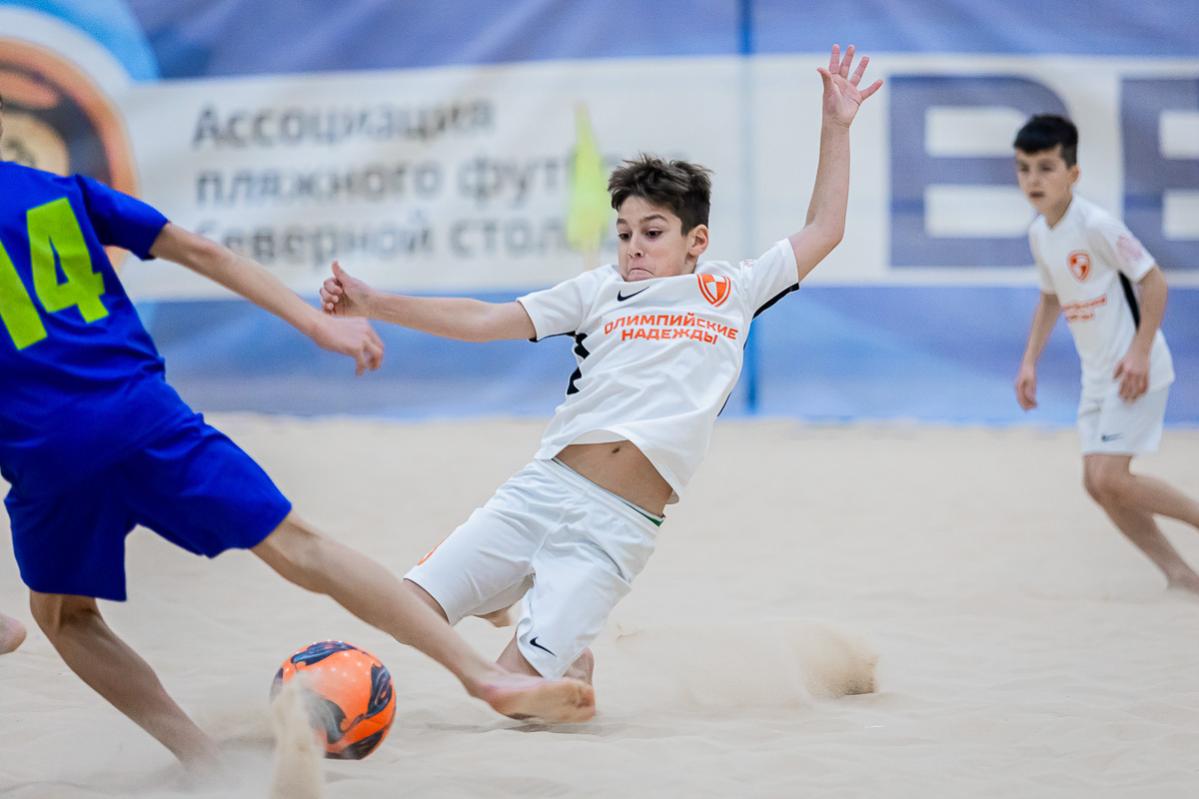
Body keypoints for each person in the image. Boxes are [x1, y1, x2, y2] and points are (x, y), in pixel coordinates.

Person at [0, 92, 594, 775]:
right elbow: (201, 250)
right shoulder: (58, 190)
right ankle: (484, 676)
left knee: (64, 617)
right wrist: (315, 323)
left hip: (45, 450)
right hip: (142, 415)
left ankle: (201, 758)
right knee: (301, 546)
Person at [319, 45, 882, 689]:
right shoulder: (596, 291)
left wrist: (835, 127)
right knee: (404, 610)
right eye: (624, 233)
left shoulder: (734, 289)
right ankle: (501, 599)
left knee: (519, 694)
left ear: (696, 241)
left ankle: (559, 651)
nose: (634, 246)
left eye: (653, 232)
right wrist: (373, 301)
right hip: (541, 490)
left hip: (614, 528)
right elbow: (483, 320)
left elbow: (826, 227)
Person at [1012, 114, 1199, 595]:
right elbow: (1051, 297)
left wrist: (1139, 353)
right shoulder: (1040, 234)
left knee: (1112, 479)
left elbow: (1154, 281)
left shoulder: (1095, 225)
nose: (1033, 179)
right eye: (1024, 168)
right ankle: (1180, 575)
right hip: (1097, 375)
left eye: (1046, 167)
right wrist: (1029, 361)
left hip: (1135, 368)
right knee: (1096, 485)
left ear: (1073, 174)